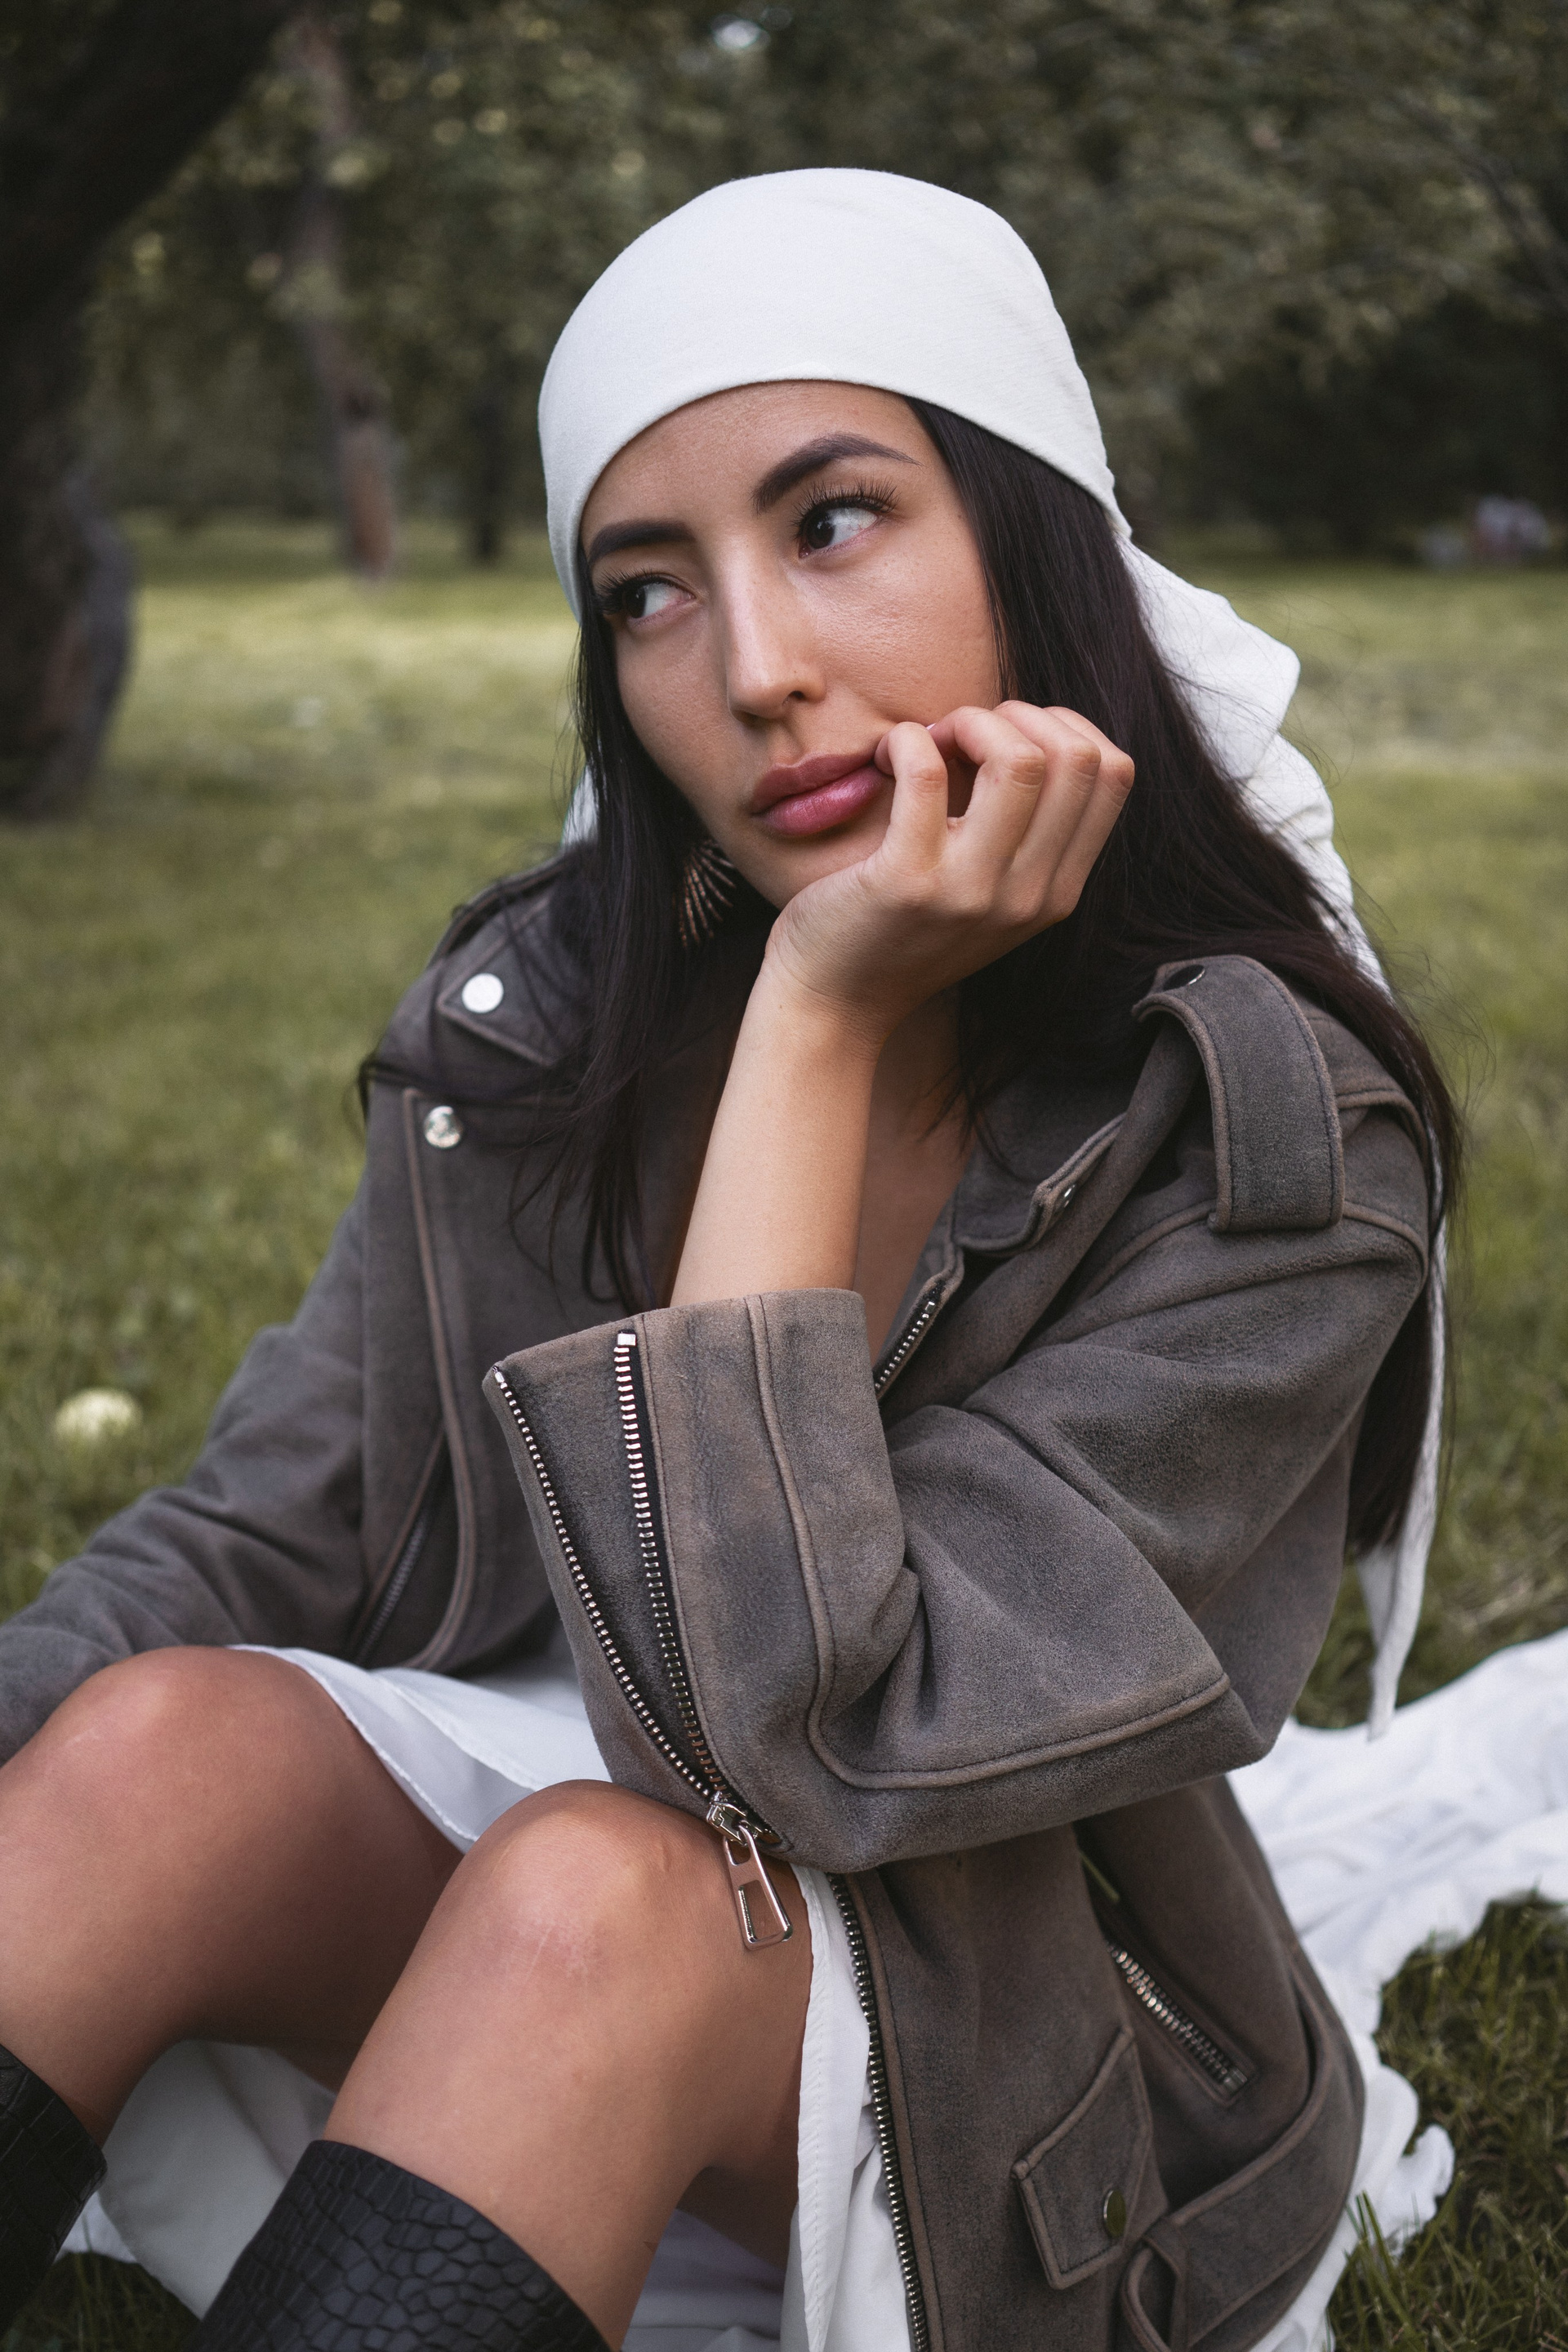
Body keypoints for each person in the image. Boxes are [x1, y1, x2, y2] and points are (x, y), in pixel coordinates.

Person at [0, 172, 1455, 2352]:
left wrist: (823, 1015)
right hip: (551, 1882)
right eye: (649, 593)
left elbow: (771, 1744)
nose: (758, 671)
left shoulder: (1265, 1146)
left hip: (1001, 2057)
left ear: (1032, 542)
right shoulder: (552, 1026)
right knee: (144, 1754)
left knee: (589, 1895)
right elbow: (280, 1519)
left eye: (835, 522)